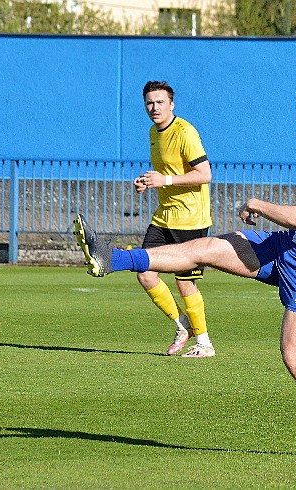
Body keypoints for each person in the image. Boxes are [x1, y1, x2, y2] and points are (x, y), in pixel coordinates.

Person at [74, 87, 296, 461]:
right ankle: (111, 258)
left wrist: (257, 204)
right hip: (289, 246)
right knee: (208, 248)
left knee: (295, 357)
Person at [131, 80, 215, 358]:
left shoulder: (185, 132)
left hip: (190, 219)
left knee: (184, 282)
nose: (154, 108)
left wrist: (164, 179)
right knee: (145, 272)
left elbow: (204, 174)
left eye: (159, 102)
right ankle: (183, 326)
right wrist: (148, 182)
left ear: (171, 104)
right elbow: (167, 173)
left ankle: (204, 343)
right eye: (149, 103)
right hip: (164, 217)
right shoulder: (153, 133)